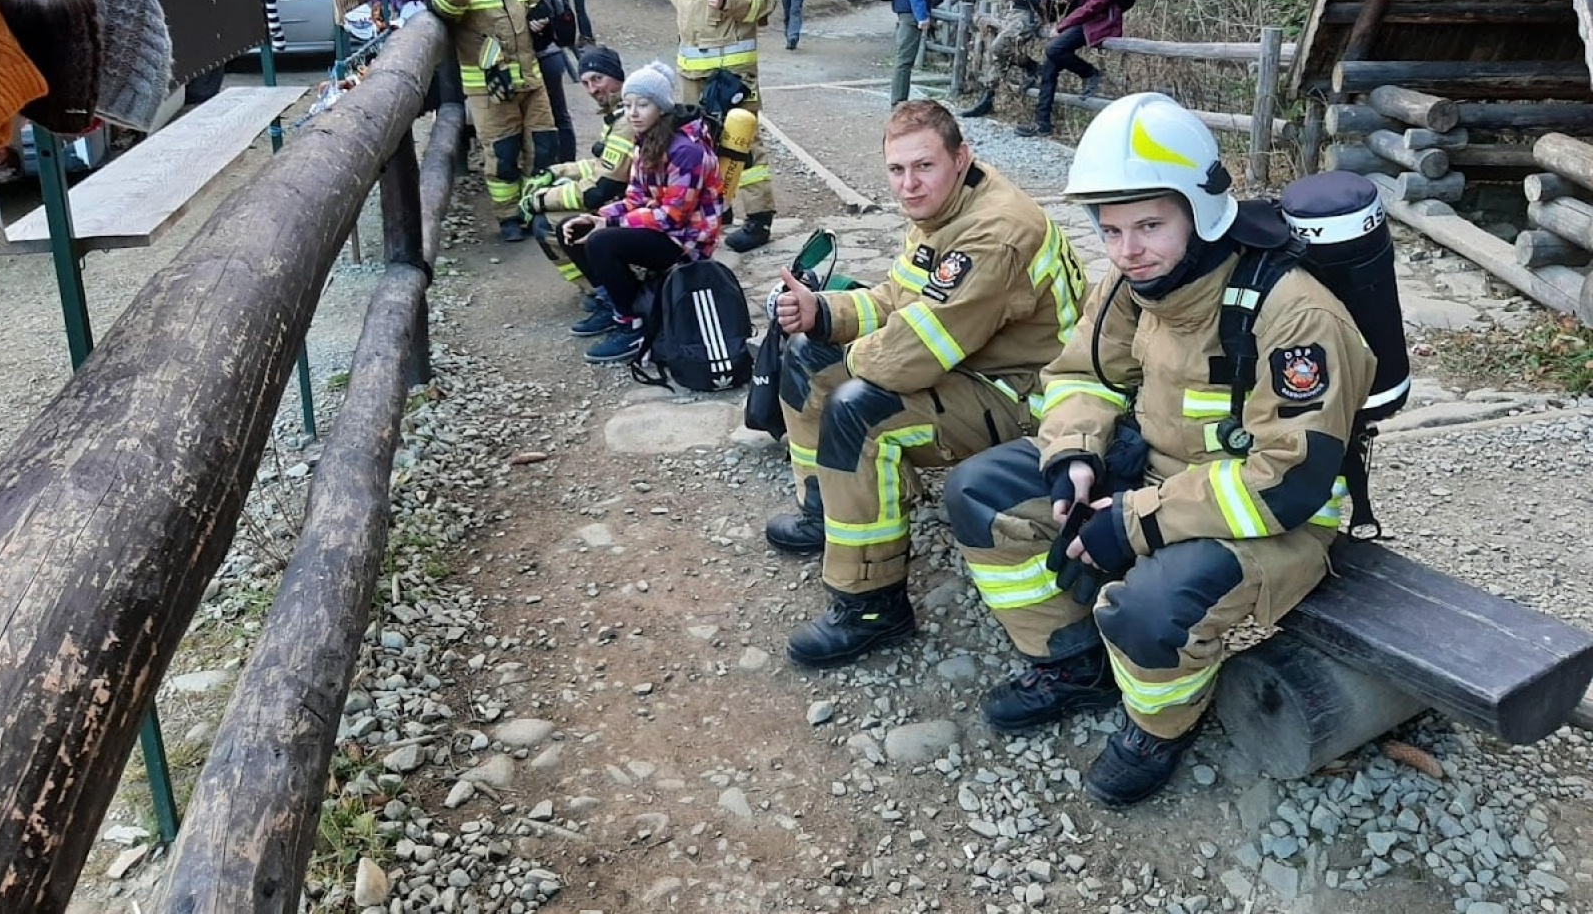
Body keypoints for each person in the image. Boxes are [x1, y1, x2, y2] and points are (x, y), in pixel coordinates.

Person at [945, 93, 1376, 808]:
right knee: (980, 492)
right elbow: (1083, 375)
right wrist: (1077, 455)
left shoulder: (1294, 311)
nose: (1126, 250)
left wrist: (1135, 520)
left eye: (1149, 225)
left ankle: (1159, 725)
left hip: (1273, 517)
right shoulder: (1132, 284)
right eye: (1110, 229)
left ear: (1200, 212)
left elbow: (1287, 483)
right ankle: (1070, 660)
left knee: (1152, 608)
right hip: (1155, 481)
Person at [766, 99, 1088, 668]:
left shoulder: (995, 231)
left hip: (1028, 400)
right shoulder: (945, 208)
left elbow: (907, 359)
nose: (909, 186)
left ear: (961, 158)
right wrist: (822, 312)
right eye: (897, 171)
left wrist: (853, 349)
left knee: (859, 411)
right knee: (806, 355)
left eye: (924, 167)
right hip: (968, 363)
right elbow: (897, 300)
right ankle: (831, 513)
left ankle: (871, 604)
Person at [559, 61, 726, 364]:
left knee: (601, 241)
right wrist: (599, 217)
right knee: (572, 228)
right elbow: (635, 195)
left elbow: (672, 216)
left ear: (661, 107)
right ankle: (615, 303)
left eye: (643, 104)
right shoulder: (645, 141)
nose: (633, 113)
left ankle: (632, 325)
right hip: (662, 228)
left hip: (687, 241)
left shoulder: (687, 151)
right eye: (627, 105)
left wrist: (610, 224)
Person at [663, 0, 780, 253]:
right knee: (697, 143)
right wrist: (684, 0)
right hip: (691, 70)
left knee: (743, 144)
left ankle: (759, 219)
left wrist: (731, 0)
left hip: (732, 72)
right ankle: (716, 207)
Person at [426, 0, 556, 242]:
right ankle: (509, 216)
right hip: (490, 86)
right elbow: (443, 8)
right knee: (503, 153)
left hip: (530, 76)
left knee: (542, 147)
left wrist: (539, 15)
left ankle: (534, 208)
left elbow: (532, 1)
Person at [522, 47, 635, 306]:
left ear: (616, 76)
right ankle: (596, 286)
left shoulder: (626, 122)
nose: (592, 89)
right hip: (628, 197)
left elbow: (599, 190)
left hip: (631, 206)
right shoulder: (620, 113)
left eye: (598, 79)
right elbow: (601, 166)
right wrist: (557, 172)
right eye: (585, 83)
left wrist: (539, 200)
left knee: (546, 224)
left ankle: (605, 292)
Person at [1020, 0, 1128, 138]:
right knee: (1051, 61)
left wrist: (1064, 24)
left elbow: (1099, 2)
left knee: (1053, 50)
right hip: (1085, 16)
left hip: (1102, 21)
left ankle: (1090, 73)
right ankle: (1042, 123)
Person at [488, 0, 574, 164]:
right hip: (552, 54)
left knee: (540, 120)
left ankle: (551, 168)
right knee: (560, 116)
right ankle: (567, 164)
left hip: (537, 58)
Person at [960, 0, 1065, 121]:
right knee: (982, 21)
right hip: (1013, 13)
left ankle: (992, 94)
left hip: (1031, 15)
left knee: (998, 47)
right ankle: (1022, 71)